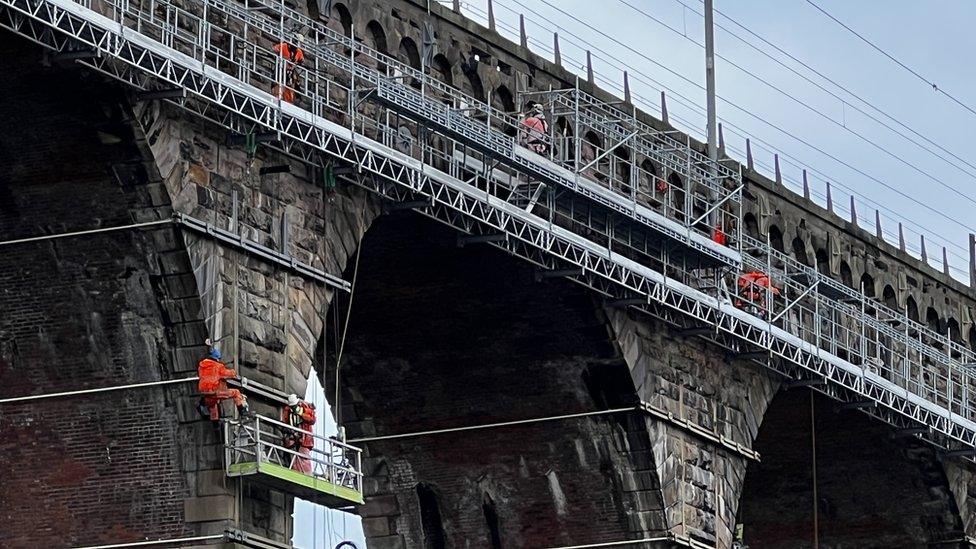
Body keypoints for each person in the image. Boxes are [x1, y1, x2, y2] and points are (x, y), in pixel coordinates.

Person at [197, 348, 248, 421]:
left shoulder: (201, 366)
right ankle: (243, 414)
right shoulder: (218, 366)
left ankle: (202, 404)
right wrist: (234, 372)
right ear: (217, 358)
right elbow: (228, 374)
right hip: (214, 391)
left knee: (213, 407)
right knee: (236, 393)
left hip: (205, 392)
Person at [281, 394, 316, 473]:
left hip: (304, 438)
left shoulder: (305, 407)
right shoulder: (288, 410)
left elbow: (312, 420)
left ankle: (306, 474)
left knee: (303, 457)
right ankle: (295, 471)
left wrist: (301, 414)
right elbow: (285, 421)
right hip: (293, 437)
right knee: (293, 456)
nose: (293, 408)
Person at [272, 33, 306, 104]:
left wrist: (298, 63)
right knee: (278, 91)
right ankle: (276, 100)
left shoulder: (299, 52)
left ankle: (289, 103)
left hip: (289, 74)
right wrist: (282, 57)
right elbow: (274, 49)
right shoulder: (284, 46)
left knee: (290, 91)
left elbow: (302, 61)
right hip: (280, 71)